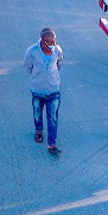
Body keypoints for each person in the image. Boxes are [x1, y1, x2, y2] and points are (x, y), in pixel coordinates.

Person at [24, 27, 64, 155]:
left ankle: (52, 144)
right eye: (50, 43)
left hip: (53, 90)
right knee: (37, 112)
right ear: (42, 41)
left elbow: (59, 64)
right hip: (37, 90)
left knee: (53, 117)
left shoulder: (57, 50)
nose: (53, 46)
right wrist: (39, 78)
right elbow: (28, 67)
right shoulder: (32, 51)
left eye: (54, 42)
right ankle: (38, 131)